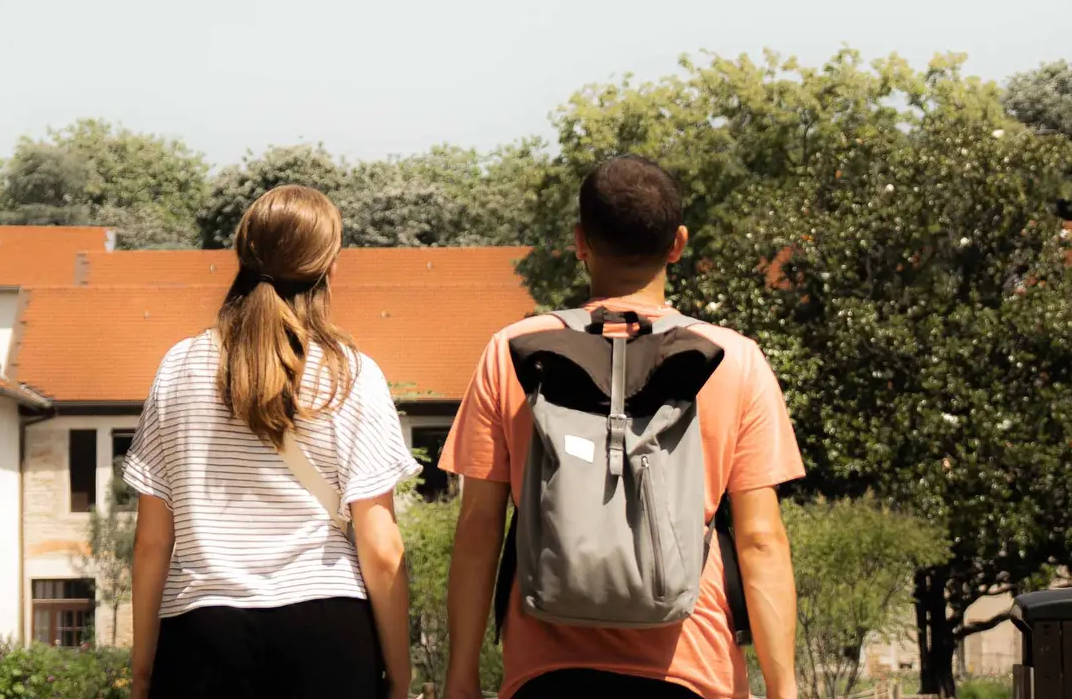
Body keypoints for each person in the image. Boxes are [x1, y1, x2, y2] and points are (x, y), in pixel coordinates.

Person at [439, 154, 805, 699]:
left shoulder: (515, 353)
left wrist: (460, 674)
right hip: (690, 665)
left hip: (546, 668)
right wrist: (783, 687)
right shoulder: (732, 359)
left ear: (580, 241)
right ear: (677, 244)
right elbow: (760, 540)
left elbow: (478, 530)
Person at [124, 184, 417, 699]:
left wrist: (144, 669)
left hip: (201, 636)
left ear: (242, 252)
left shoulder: (179, 368)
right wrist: (400, 674)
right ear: (329, 265)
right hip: (329, 634)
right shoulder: (351, 374)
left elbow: (152, 544)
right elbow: (382, 548)